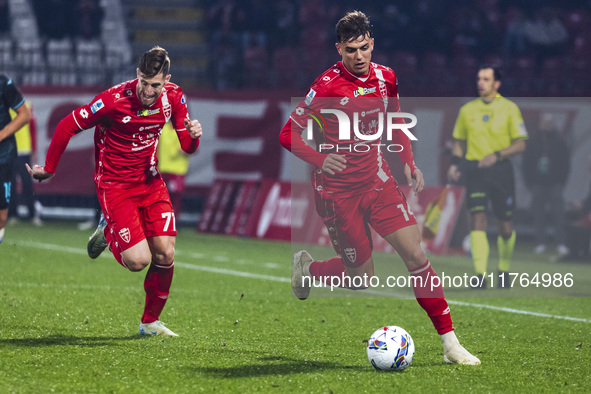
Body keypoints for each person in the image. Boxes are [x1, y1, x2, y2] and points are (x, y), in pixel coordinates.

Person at [280, 11, 480, 365]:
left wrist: (408, 161)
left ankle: (451, 344)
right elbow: (287, 133)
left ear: (372, 43)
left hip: (377, 181)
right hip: (337, 194)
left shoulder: (386, 77)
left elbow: (396, 120)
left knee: (417, 256)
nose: (358, 57)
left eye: (364, 48)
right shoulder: (326, 87)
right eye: (350, 50)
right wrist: (320, 159)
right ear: (338, 49)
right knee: (361, 279)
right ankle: (307, 268)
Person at [27, 47, 203, 336]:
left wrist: (194, 136)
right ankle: (108, 231)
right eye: (144, 82)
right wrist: (49, 168)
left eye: (155, 84)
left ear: (166, 80)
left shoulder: (174, 97)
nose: (148, 91)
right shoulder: (113, 101)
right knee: (138, 261)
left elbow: (187, 146)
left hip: (150, 182)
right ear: (137, 74)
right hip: (115, 186)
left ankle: (149, 324)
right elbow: (66, 125)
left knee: (165, 253)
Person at [448, 65, 528, 289]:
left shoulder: (510, 109)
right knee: (477, 218)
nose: (480, 82)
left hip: (501, 171)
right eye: (478, 78)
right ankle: (480, 274)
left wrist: (497, 155)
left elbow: (521, 144)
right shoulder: (467, 110)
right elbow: (458, 141)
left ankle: (503, 269)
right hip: (475, 171)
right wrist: (455, 164)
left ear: (497, 84)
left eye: (485, 79)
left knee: (506, 227)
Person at [522, 113, 569, 255]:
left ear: (553, 124)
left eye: (549, 123)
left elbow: (565, 164)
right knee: (539, 214)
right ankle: (541, 242)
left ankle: (561, 243)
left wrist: (561, 181)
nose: (546, 126)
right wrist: (530, 182)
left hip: (555, 183)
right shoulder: (534, 141)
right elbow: (526, 164)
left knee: (558, 214)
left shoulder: (559, 142)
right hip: (538, 183)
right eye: (544, 123)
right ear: (540, 124)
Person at [0, 74, 32, 244]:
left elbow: (24, 115)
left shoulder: (4, 83)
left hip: (4, 154)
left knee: (1, 218)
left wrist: (2, 134)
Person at [8, 101, 43, 226]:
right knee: (10, 184)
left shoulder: (27, 105)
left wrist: (33, 150)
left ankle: (32, 214)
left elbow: (32, 129)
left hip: (24, 150)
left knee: (27, 183)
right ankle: (12, 214)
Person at [157, 121, 190, 220]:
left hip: (177, 170)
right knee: (161, 197)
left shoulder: (185, 129)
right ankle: (161, 221)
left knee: (175, 197)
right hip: (163, 169)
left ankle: (174, 221)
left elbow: (194, 147)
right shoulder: (163, 128)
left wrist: (185, 149)